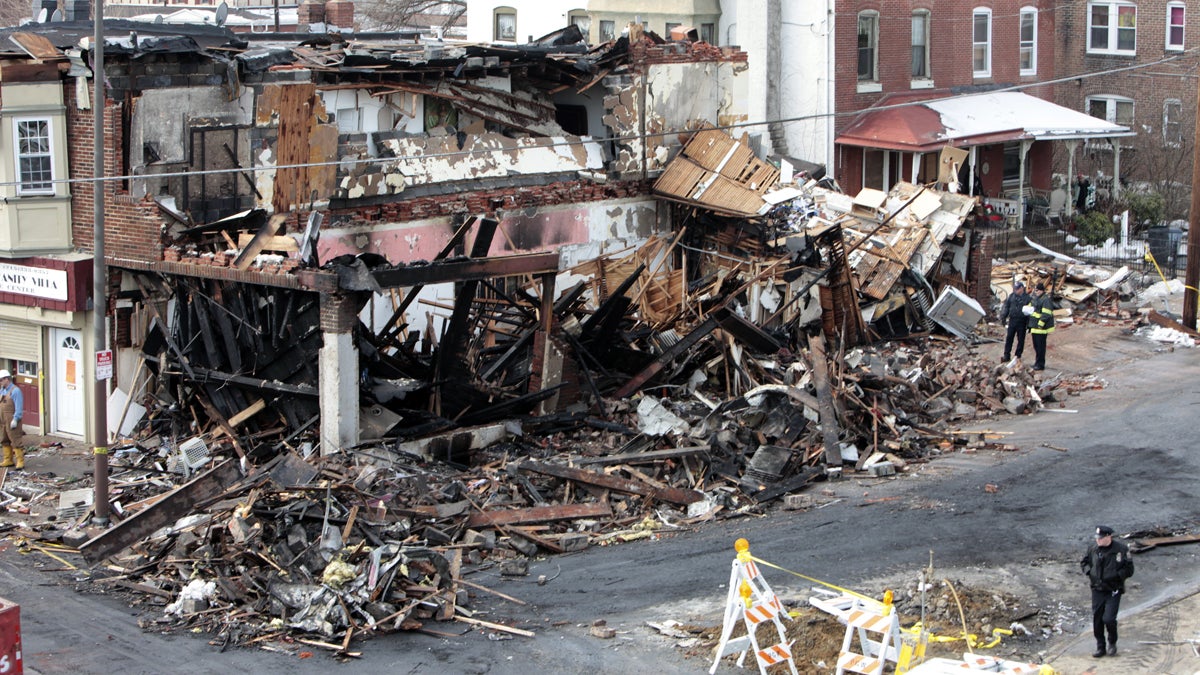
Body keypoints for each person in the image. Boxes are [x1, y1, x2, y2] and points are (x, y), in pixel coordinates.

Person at [1081, 525, 1134, 657]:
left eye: (1101, 538)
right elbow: (1084, 562)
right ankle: (1100, 646)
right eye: (1097, 538)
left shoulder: (1121, 550)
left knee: (1109, 619)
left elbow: (1129, 569)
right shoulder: (1093, 548)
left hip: (1113, 590)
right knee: (1097, 619)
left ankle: (1112, 643)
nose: (1098, 540)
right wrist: (1089, 572)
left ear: (1109, 537)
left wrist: (1117, 576)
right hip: (1097, 589)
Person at [1000, 280, 1032, 362]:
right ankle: (1006, 355)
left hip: (1022, 321)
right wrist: (1003, 316)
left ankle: (1018, 356)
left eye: (1017, 289)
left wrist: (1029, 324)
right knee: (1009, 338)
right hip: (1012, 320)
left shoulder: (1027, 298)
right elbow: (1006, 306)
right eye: (1015, 289)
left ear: (1022, 288)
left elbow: (1030, 312)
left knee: (1020, 339)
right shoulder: (1012, 296)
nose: (1015, 290)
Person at [0, 370, 24, 470]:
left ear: (7, 379)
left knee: (15, 439)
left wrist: (15, 419)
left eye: (1, 380)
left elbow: (19, 407)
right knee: (4, 439)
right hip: (2, 419)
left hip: (12, 419)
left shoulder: (16, 391)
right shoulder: (2, 390)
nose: (0, 382)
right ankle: (8, 459)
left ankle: (20, 461)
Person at [1028, 282, 1055, 371]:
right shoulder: (1036, 298)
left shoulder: (1045, 300)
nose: (1036, 292)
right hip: (1035, 327)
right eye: (1035, 290)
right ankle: (1037, 362)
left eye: (1037, 290)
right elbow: (1032, 308)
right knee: (1036, 346)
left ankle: (1040, 364)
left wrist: (1040, 324)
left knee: (1040, 347)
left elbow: (1046, 314)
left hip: (1041, 329)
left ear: (1041, 290)